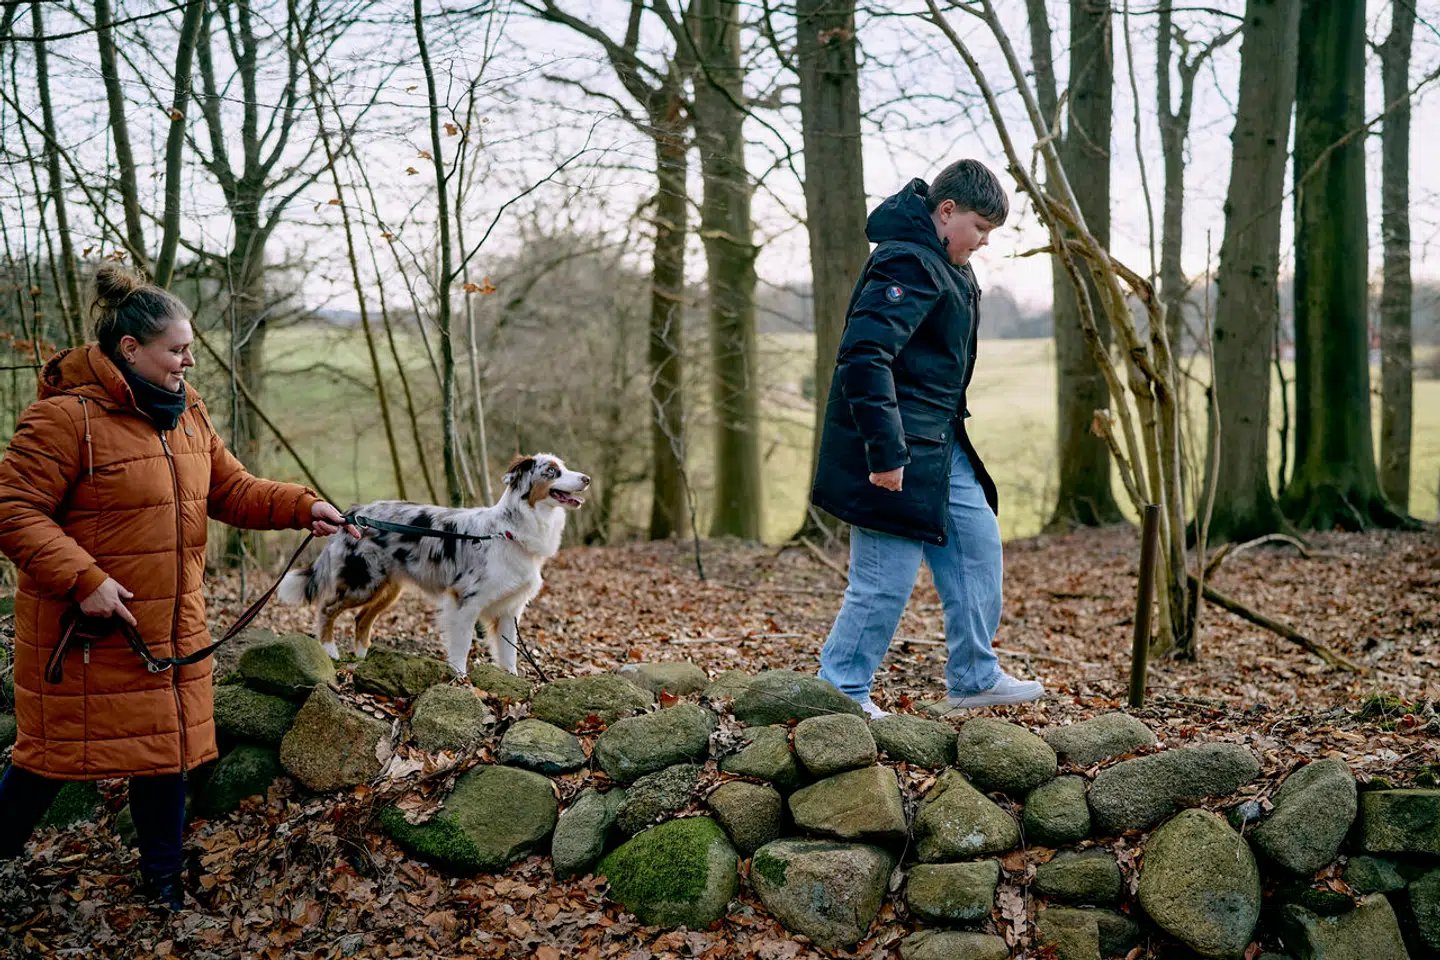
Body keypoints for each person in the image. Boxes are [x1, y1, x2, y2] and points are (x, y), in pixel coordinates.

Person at [0, 265, 359, 908]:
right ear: (131, 350)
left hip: (170, 630)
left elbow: (230, 490)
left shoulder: (187, 413)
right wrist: (84, 579)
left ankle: (163, 884)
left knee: (163, 755)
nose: (189, 361)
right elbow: (12, 509)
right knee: (43, 765)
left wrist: (303, 506)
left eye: (189, 347)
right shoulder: (63, 420)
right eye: (177, 349)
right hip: (85, 636)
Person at [810, 159, 1044, 719]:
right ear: (946, 211)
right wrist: (885, 452)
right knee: (884, 579)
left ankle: (974, 676)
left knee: (979, 549)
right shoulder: (907, 262)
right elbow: (866, 357)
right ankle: (840, 692)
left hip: (942, 445)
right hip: (892, 448)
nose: (984, 242)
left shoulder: (948, 265)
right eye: (980, 228)